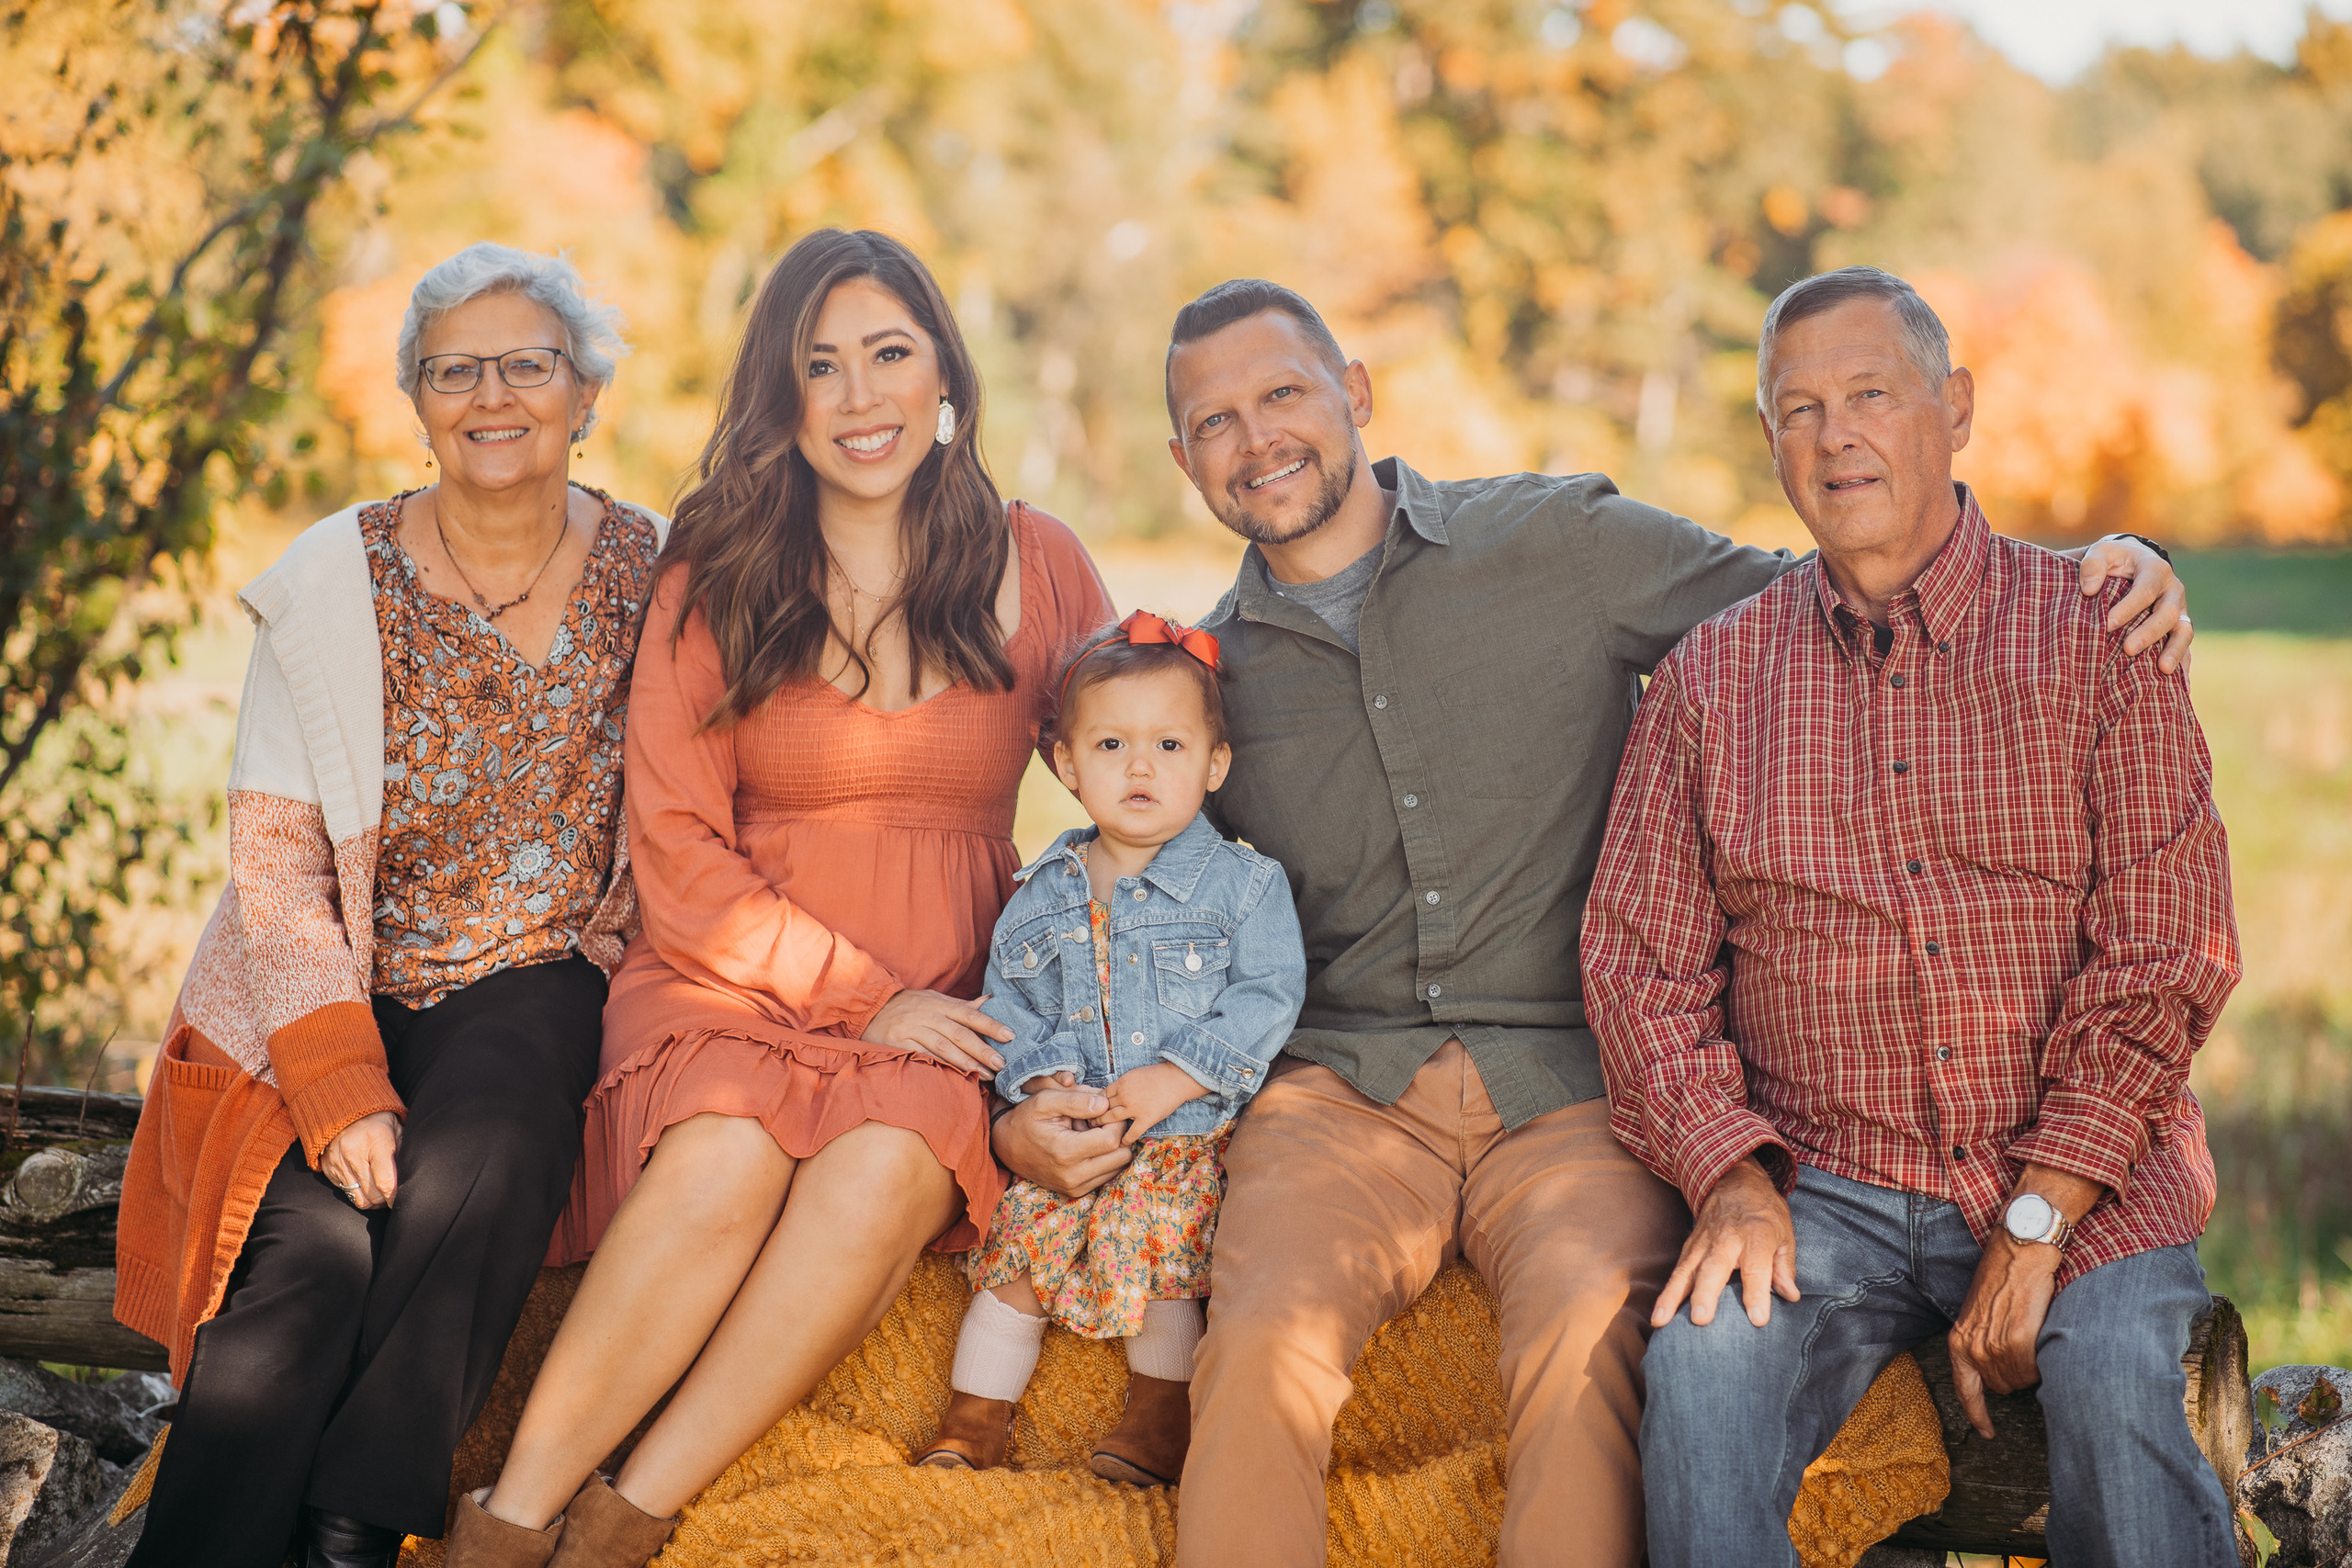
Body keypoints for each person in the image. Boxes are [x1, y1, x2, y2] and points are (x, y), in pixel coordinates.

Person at [989, 278, 2196, 1567]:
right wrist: (1032, 1093)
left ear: (1355, 391)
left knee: (1583, 1339)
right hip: (1342, 1093)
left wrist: (2111, 572)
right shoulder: (1205, 696)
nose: (1255, 437)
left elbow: (1836, 587)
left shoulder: (1557, 543)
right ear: (1183, 458)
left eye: (1281, 392)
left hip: (1570, 1085)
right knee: (1264, 1336)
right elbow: (1135, 911)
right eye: (1213, 419)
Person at [444, 229, 1114, 1568]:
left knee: (880, 1170)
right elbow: (679, 847)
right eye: (822, 366)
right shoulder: (721, 567)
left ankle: (622, 1521)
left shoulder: (1041, 564)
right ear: (781, 397)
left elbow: (1134, 786)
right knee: (724, 1157)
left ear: (944, 376)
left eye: (888, 355)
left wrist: (1079, 1034)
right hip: (729, 979)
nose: (860, 398)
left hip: (945, 1016)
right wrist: (874, 999)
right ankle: (505, 1523)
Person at [1583, 265, 2242, 1568]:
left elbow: (2168, 951)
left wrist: (2040, 1219)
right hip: (1823, 1181)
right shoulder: (1709, 682)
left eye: (1870, 394)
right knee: (1704, 1371)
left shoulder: (2103, 636)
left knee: (2117, 1379)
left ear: (1956, 407)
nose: (1836, 436)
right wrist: (1727, 1173)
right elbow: (1637, 968)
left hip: (2084, 1171)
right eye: (1798, 408)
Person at [113, 243, 664, 1568]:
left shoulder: (656, 568)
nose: (493, 393)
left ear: (584, 391)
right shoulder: (331, 577)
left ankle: (351, 1528)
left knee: (483, 1158)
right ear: (416, 400)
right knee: (311, 1259)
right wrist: (338, 1076)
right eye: (453, 368)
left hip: (533, 967)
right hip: (319, 982)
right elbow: (277, 858)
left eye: (527, 362)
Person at [915, 613, 1306, 1486]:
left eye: (1169, 743)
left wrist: (1176, 1077)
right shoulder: (1041, 891)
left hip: (1180, 1136)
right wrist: (1037, 1082)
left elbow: (1268, 994)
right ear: (1067, 765)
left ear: (1215, 764)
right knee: (1015, 1262)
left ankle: (1158, 1419)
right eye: (1112, 744)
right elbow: (1009, 999)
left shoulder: (1245, 885)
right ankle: (975, 1419)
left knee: (1164, 1265)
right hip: (1072, 1134)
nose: (1140, 766)